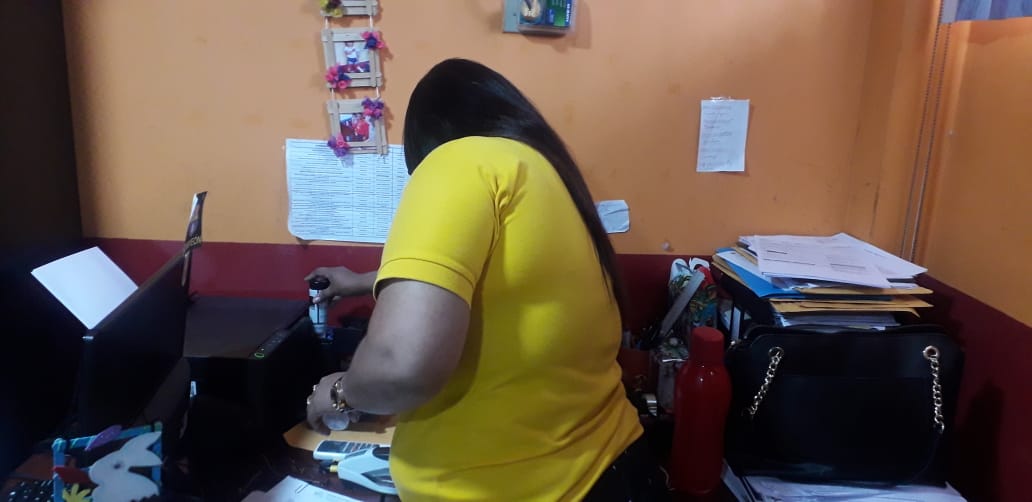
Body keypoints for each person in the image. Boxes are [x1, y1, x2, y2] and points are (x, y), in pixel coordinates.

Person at [304, 58, 669, 501]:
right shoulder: (545, 174)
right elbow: (501, 274)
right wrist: (363, 280)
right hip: (613, 466)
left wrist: (338, 393)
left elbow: (399, 364)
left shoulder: (457, 161)